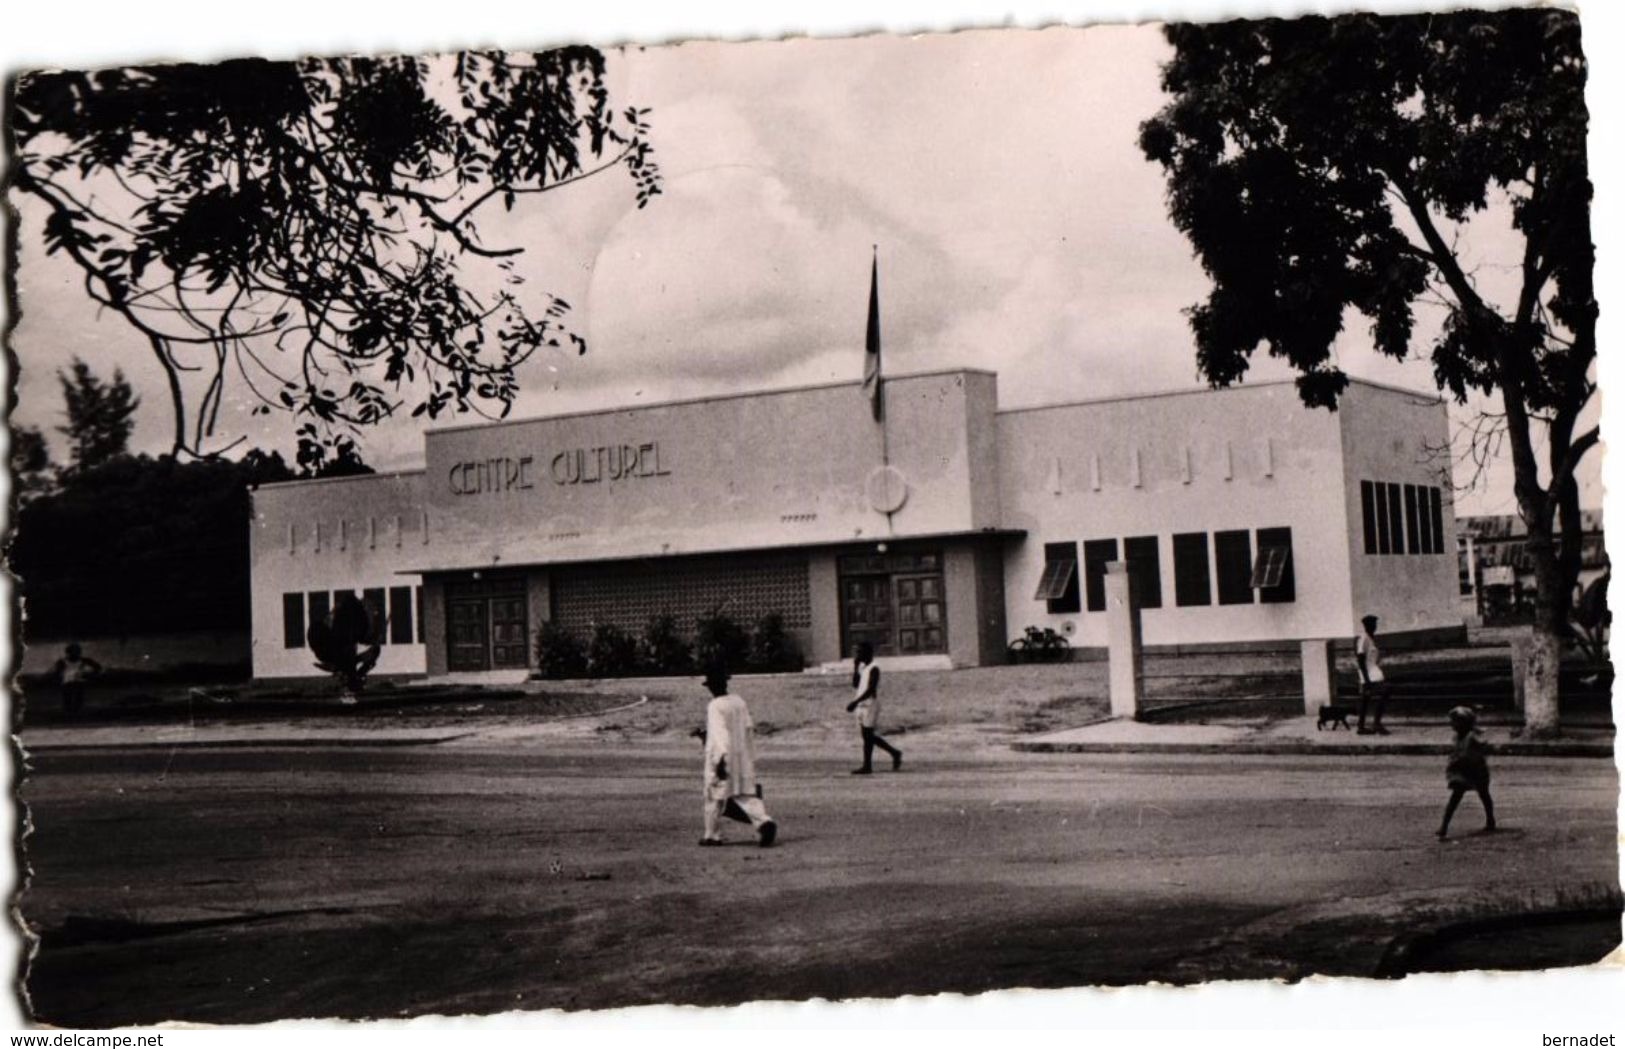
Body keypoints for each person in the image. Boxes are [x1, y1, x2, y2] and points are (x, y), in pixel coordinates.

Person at [699, 668, 777, 848]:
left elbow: (720, 735)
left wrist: (720, 760)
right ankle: (763, 821)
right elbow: (748, 728)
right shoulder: (738, 702)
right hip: (741, 755)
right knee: (744, 794)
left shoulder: (715, 706)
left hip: (723, 756)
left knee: (713, 795)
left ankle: (712, 834)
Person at [1437, 705, 1496, 840]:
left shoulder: (1471, 737)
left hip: (1474, 771)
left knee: (1483, 795)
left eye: (1455, 722)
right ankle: (1444, 826)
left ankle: (1490, 819)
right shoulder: (1458, 737)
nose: (1452, 725)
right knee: (1457, 797)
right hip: (1463, 772)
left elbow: (1476, 752)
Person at [846, 642, 902, 774]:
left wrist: (855, 702)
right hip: (861, 703)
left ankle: (868, 765)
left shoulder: (874, 668)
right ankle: (894, 753)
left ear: (868, 653)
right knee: (867, 736)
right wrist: (855, 667)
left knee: (867, 735)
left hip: (870, 704)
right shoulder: (863, 668)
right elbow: (855, 684)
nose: (858, 655)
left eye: (860, 652)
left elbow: (871, 689)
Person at [1354, 614, 1391, 736]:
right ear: (1366, 626)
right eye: (1372, 624)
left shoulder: (1370, 639)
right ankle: (1376, 724)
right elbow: (1360, 659)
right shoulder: (1364, 638)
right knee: (1384, 691)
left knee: (1366, 699)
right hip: (1369, 673)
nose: (1375, 626)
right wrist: (1366, 679)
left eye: (1375, 624)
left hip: (1372, 671)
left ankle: (1361, 726)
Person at [52, 643, 102, 717]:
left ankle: (76, 712)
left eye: (76, 652)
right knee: (68, 698)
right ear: (68, 653)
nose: (74, 654)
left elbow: (98, 667)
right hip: (67, 682)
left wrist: (88, 675)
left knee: (78, 697)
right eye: (72, 652)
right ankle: (69, 712)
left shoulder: (84, 660)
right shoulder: (62, 662)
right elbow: (57, 673)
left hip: (78, 681)